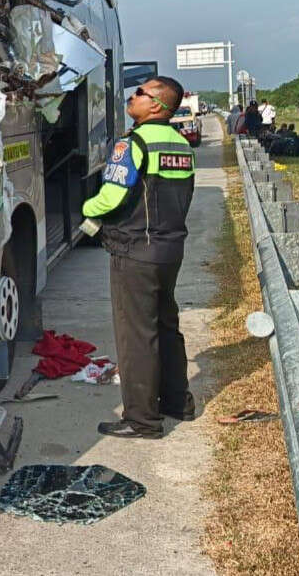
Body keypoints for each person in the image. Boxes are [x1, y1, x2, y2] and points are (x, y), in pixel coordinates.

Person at [82, 75, 196, 439]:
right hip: (170, 250)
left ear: (157, 106)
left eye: (140, 93)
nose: (132, 97)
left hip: (135, 251)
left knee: (136, 335)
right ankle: (178, 403)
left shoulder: (132, 143)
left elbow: (111, 197)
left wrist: (84, 208)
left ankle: (142, 420)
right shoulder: (181, 144)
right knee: (165, 325)